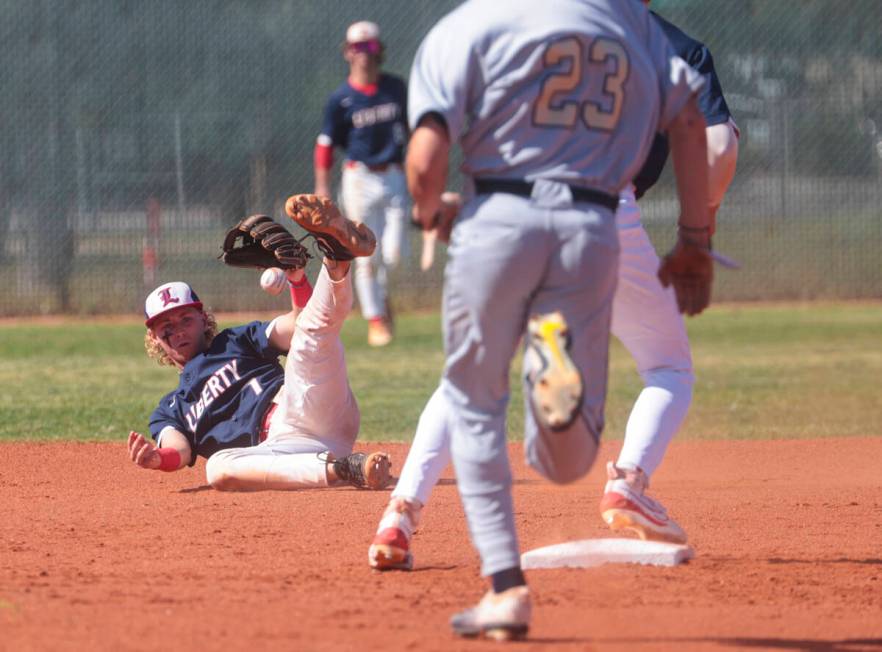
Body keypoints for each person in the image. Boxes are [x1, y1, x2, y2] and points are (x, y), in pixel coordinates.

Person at [378, 0, 715, 641]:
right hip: (594, 223)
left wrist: (430, 213)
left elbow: (424, 162)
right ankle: (551, 367)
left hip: (498, 218)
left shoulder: (471, 23)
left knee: (475, 400)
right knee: (563, 461)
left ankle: (506, 591)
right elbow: (691, 122)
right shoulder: (627, 23)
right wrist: (695, 239)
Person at [127, 195, 393, 492]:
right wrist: (156, 457)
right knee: (217, 466)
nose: (177, 332)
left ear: (204, 319)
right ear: (153, 338)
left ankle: (336, 258)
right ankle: (345, 469)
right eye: (166, 327)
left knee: (311, 331)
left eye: (185, 319)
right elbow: (180, 452)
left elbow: (298, 327)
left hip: (304, 400)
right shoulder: (170, 409)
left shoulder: (235, 341)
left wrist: (297, 280)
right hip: (278, 450)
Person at [313, 20, 409, 347]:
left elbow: (417, 130)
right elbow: (325, 144)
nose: (363, 55)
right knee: (366, 254)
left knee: (394, 256)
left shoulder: (396, 89)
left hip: (395, 174)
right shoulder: (341, 99)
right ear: (347, 53)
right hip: (360, 178)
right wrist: (323, 186)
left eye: (368, 47)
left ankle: (382, 301)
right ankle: (376, 319)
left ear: (378, 50)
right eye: (357, 48)